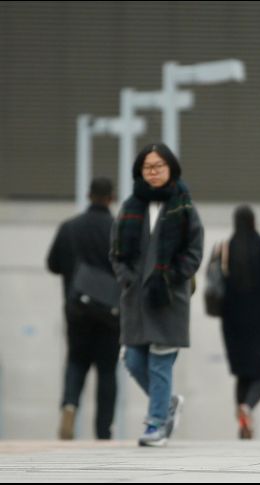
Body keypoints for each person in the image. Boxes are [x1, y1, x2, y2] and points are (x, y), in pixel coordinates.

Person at [110, 142, 203, 447]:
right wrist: (126, 280)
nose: (153, 172)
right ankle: (167, 405)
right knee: (134, 360)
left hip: (168, 298)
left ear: (171, 169)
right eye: (148, 167)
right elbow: (116, 252)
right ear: (140, 171)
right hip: (135, 298)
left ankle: (155, 426)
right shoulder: (130, 205)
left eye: (159, 166)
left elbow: (194, 249)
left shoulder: (184, 205)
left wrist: (175, 276)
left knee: (159, 362)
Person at [47, 177, 120, 440]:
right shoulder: (118, 229)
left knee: (76, 361)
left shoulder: (69, 228)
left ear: (88, 195)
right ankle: (103, 431)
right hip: (111, 314)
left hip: (77, 309)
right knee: (107, 371)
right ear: (112, 197)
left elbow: (52, 264)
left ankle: (69, 404)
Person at [212, 205, 260, 439]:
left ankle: (242, 421)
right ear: (254, 222)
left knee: (242, 373)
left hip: (232, 323)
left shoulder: (224, 250)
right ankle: (247, 407)